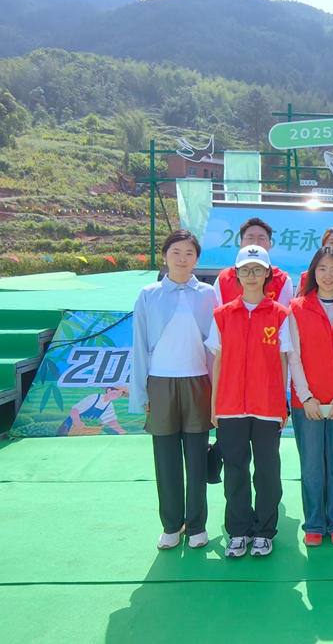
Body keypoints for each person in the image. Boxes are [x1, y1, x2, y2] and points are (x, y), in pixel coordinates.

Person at [130, 230, 217, 550]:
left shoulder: (208, 293)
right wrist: (141, 394)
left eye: (189, 253)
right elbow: (140, 346)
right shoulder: (148, 294)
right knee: (166, 460)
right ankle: (171, 525)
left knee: (197, 459)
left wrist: (218, 394)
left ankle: (196, 525)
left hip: (198, 383)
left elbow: (216, 349)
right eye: (176, 252)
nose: (182, 258)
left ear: (197, 259)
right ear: (164, 255)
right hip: (160, 383)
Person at [207, 245, 292, 559]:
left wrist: (282, 405)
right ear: (236, 274)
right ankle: (239, 530)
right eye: (245, 270)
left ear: (267, 274)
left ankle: (265, 531)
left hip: (267, 407)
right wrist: (215, 405)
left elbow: (284, 363)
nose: (251, 275)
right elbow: (217, 362)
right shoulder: (222, 315)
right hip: (230, 407)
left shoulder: (281, 314)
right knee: (235, 470)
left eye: (258, 270)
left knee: (268, 471)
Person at [288, 246, 333, 547]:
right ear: (313, 273)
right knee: (312, 467)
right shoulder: (296, 308)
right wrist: (306, 397)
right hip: (308, 404)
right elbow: (293, 357)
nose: (328, 275)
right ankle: (314, 523)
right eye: (322, 269)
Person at [214, 218, 293, 306]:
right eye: (250, 238)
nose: (255, 243)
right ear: (241, 243)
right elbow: (216, 311)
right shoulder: (223, 279)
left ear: (269, 245)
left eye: (261, 238)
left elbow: (284, 312)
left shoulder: (282, 280)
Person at [59, 386, 128, 436]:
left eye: (119, 395)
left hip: (85, 430)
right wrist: (77, 422)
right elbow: (75, 410)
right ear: (109, 390)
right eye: (115, 393)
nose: (116, 396)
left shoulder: (109, 405)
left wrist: (120, 430)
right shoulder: (95, 397)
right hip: (70, 426)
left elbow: (110, 420)